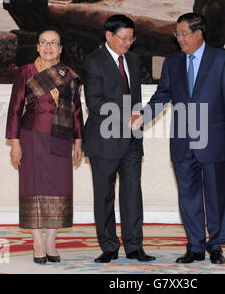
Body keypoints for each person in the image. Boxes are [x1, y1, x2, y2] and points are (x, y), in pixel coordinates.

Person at [131, 13, 225, 264]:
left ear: (199, 32)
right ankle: (194, 246)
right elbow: (162, 96)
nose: (179, 39)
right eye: (177, 34)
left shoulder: (221, 59)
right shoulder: (173, 63)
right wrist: (142, 116)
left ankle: (215, 245)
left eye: (183, 34)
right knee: (188, 195)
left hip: (214, 137)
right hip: (182, 140)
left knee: (216, 194)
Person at [6, 27, 83, 264]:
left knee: (58, 188)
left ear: (60, 49)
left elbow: (77, 111)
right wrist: (15, 143)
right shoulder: (26, 71)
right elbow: (15, 108)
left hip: (61, 139)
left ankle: (51, 240)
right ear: (38, 47)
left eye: (54, 43)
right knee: (34, 186)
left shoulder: (69, 75)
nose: (48, 47)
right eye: (44, 42)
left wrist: (79, 141)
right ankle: (37, 241)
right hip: (31, 137)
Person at [82, 14, 155, 263]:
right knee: (104, 195)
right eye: (123, 38)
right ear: (109, 36)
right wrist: (126, 116)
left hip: (132, 139)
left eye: (131, 38)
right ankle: (109, 246)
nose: (127, 43)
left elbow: (134, 97)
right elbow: (94, 102)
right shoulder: (93, 62)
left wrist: (140, 115)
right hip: (104, 138)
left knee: (133, 192)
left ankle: (135, 246)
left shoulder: (133, 60)